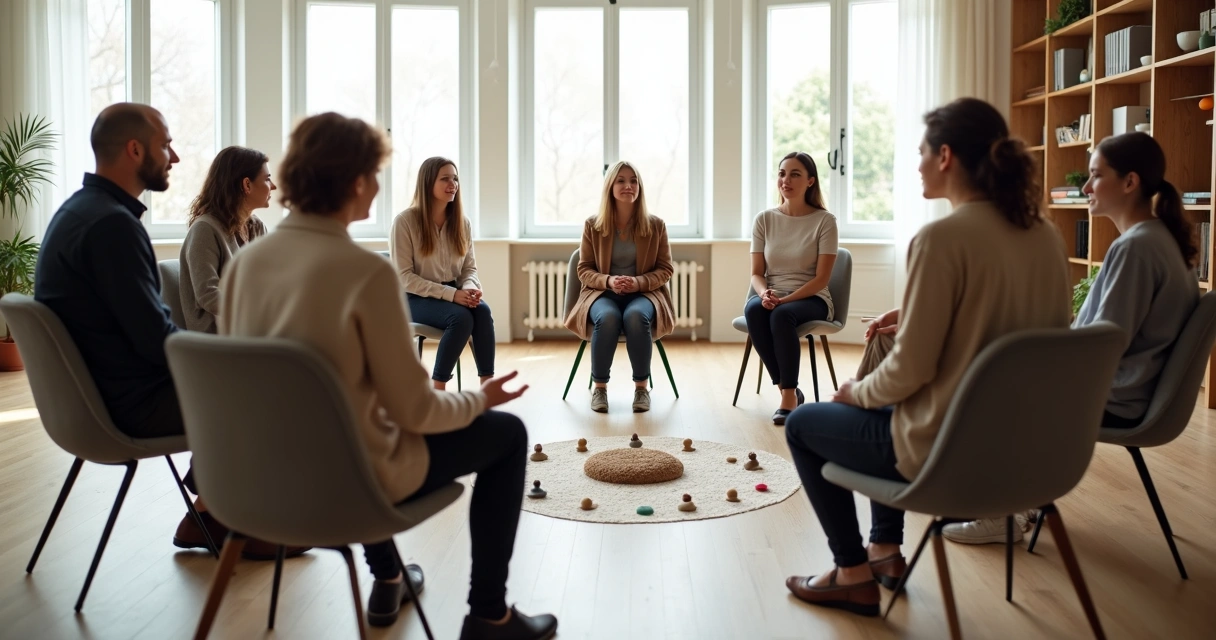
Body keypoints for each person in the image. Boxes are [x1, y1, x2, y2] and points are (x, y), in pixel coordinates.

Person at [219, 112, 558, 638]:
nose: (378, 186)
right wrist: (479, 400)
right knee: (507, 436)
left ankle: (389, 575)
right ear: (356, 180)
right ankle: (490, 614)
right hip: (350, 483)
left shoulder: (245, 266)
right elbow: (415, 411)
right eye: (375, 173)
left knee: (341, 428)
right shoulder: (365, 273)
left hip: (258, 482)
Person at [781, 97, 1071, 617]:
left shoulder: (941, 238)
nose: (914, 164)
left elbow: (909, 371)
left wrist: (857, 392)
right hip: (1031, 454)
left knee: (805, 423)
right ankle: (885, 552)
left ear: (945, 157)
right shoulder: (1047, 236)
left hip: (950, 454)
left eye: (919, 152)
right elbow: (1020, 337)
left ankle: (851, 572)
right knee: (880, 404)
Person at [34, 103, 301, 561]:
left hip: (95, 396)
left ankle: (219, 516)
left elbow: (147, 332)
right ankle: (232, 520)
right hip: (124, 404)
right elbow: (156, 341)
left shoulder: (83, 211)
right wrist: (230, 363)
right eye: (166, 145)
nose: (174, 157)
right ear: (135, 150)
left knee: (263, 381)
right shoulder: (112, 226)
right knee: (273, 391)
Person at [943, 131, 1201, 545]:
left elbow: (1104, 341)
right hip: (1130, 389)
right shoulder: (1158, 240)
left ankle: (998, 512)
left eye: (1096, 176)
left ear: (1130, 182)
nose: (1085, 187)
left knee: (988, 381)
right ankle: (1013, 500)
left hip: (1115, 394)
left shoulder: (1136, 248)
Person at [563, 161, 674, 413]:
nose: (628, 186)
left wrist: (638, 282)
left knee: (635, 317)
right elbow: (584, 269)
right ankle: (599, 389)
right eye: (621, 181)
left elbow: (665, 270)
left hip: (644, 294)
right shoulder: (593, 225)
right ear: (610, 187)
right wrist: (609, 280)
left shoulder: (656, 225)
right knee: (609, 318)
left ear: (640, 187)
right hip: (602, 293)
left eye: (633, 180)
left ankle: (641, 389)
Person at [745, 152, 839, 424]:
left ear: (810, 181)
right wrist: (764, 294)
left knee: (780, 315)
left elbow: (821, 279)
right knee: (753, 310)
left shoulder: (825, 221)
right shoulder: (764, 219)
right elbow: (756, 273)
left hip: (813, 297)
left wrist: (785, 302)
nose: (786, 180)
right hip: (774, 295)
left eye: (795, 174)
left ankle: (787, 398)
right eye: (781, 173)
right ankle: (789, 390)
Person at [389, 157, 493, 390]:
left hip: (452, 294)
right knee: (461, 318)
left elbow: (469, 269)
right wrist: (451, 294)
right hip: (412, 298)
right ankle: (437, 390)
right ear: (428, 184)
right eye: (445, 178)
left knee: (482, 311)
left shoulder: (462, 223)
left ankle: (488, 386)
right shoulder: (404, 222)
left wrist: (469, 288)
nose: (453, 184)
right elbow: (404, 277)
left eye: (455, 178)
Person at [179, 146, 272, 333]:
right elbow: (208, 295)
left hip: (249, 329)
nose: (274, 186)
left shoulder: (256, 226)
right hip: (216, 340)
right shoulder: (204, 229)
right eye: (268, 179)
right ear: (247, 185)